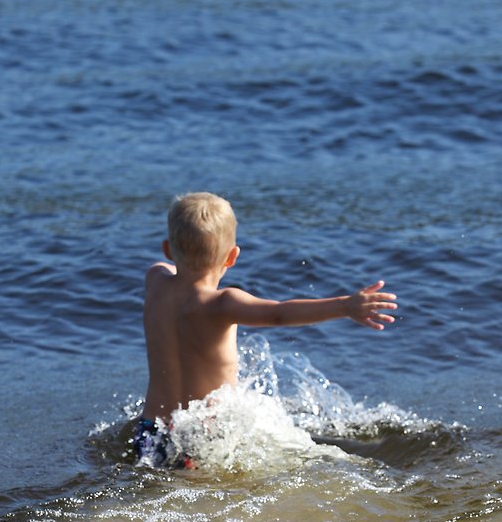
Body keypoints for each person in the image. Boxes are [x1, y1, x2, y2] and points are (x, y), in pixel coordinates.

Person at [134, 191, 398, 467]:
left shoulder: (155, 281)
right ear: (232, 257)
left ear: (166, 249)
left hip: (152, 430)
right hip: (203, 433)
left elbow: (165, 269)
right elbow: (278, 313)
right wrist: (345, 306)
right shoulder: (222, 304)